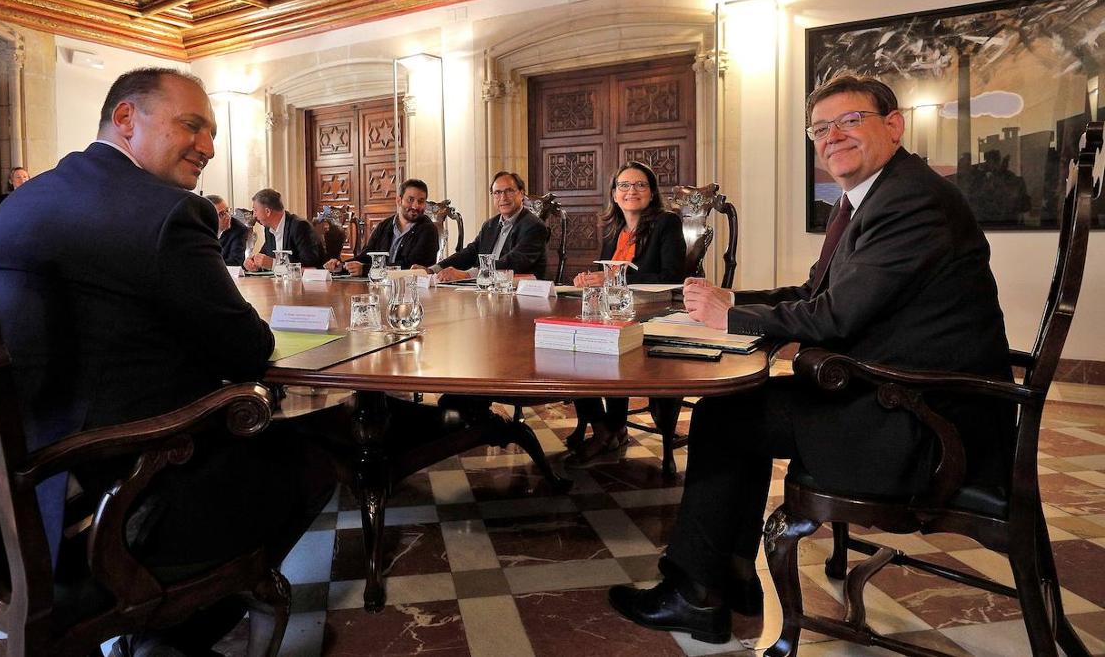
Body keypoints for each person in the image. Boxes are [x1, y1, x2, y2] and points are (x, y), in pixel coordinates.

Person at [607, 74, 1012, 644]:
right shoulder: (879, 194)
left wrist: (733, 319)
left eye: (850, 121)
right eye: (821, 128)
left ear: (893, 126)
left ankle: (696, 594)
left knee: (726, 415)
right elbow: (815, 292)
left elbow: (835, 317)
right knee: (734, 406)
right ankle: (729, 577)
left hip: (924, 424)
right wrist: (734, 302)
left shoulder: (910, 200)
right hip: (898, 396)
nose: (833, 137)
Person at [0, 68, 335, 657]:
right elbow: (249, 350)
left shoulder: (27, 199)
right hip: (114, 497)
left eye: (211, 134)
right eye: (191, 125)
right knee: (317, 452)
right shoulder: (166, 212)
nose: (207, 147)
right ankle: (177, 627)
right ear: (126, 119)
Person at [564, 161, 686, 467]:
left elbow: (671, 277)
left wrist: (612, 280)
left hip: (656, 314)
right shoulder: (614, 230)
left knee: (603, 344)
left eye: (640, 185)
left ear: (652, 192)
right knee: (572, 348)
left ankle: (611, 430)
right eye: (624, 186)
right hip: (617, 313)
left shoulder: (666, 223)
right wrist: (589, 280)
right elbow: (607, 274)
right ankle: (606, 427)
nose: (632, 191)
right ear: (614, 195)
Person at [428, 171, 549, 280]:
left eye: (509, 191)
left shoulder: (534, 226)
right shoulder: (490, 225)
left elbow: (514, 262)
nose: (503, 197)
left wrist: (468, 275)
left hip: (521, 295)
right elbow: (470, 253)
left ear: (522, 194)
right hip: (487, 290)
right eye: (497, 192)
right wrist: (433, 270)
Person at [325, 178, 438, 275]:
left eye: (421, 201)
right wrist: (341, 266)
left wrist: (365, 270)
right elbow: (366, 256)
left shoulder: (428, 230)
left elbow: (409, 266)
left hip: (413, 290)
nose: (415, 206)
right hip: (380, 287)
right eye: (410, 200)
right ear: (399, 200)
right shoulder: (384, 226)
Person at [243, 188, 326, 270]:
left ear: (268, 211)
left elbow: (310, 265)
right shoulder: (269, 230)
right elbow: (265, 258)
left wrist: (274, 264)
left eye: (255, 210)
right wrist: (254, 263)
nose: (254, 215)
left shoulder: (300, 226)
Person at [205, 194, 249, 266]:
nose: (228, 216)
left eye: (227, 211)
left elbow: (236, 262)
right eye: (221, 214)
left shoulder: (239, 229)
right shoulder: (198, 230)